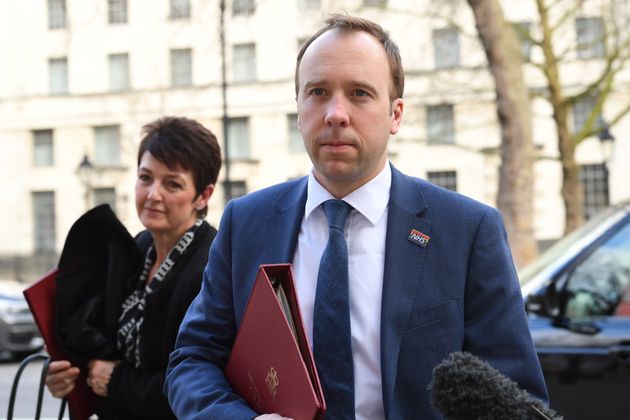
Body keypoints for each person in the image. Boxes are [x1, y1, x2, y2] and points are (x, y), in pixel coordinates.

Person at [165, 14, 548, 419]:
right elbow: (193, 360)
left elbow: (517, 397)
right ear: (298, 107)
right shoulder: (246, 223)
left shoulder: (467, 232)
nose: (335, 114)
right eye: (317, 91)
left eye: (360, 93)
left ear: (395, 114)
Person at [44, 116, 222, 419]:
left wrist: (116, 381)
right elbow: (103, 348)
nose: (153, 194)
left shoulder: (212, 267)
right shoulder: (136, 248)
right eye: (145, 178)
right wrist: (69, 375)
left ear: (203, 196)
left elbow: (208, 384)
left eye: (172, 183)